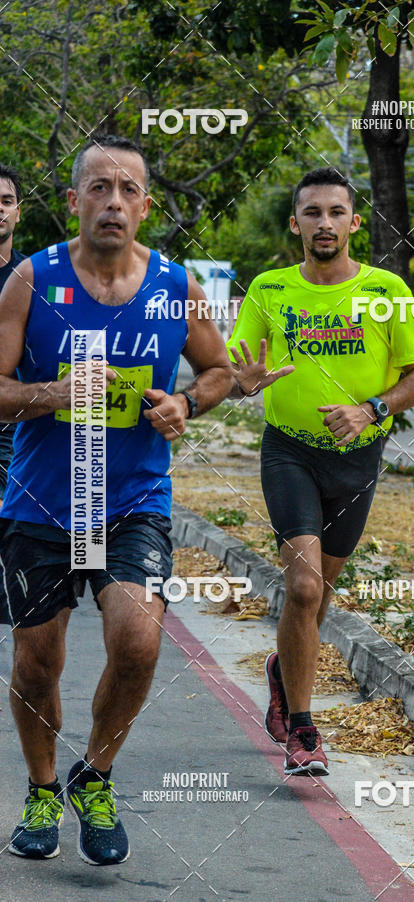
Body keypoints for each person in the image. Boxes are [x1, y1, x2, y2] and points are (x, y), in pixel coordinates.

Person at [0, 134, 233, 864]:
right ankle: (42, 790)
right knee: (37, 664)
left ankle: (94, 777)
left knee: (137, 642)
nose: (113, 201)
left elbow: (219, 370)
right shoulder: (31, 281)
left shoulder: (174, 286)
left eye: (128, 189)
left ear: (146, 205)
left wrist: (187, 404)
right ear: (74, 200)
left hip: (133, 499)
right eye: (98, 188)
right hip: (43, 500)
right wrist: (53, 393)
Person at [227, 167, 414, 777]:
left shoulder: (385, 290)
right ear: (295, 224)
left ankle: (282, 670)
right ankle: (303, 730)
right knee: (303, 587)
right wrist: (244, 383)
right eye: (312, 212)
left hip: (358, 460)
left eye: (335, 212)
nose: (324, 223)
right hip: (289, 451)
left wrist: (371, 410)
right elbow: (238, 374)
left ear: (354, 222)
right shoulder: (269, 289)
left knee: (318, 596)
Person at [0, 164, 27, 503]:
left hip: (13, 429)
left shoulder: (33, 278)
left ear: (18, 213)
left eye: (7, 201)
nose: (0, 209)